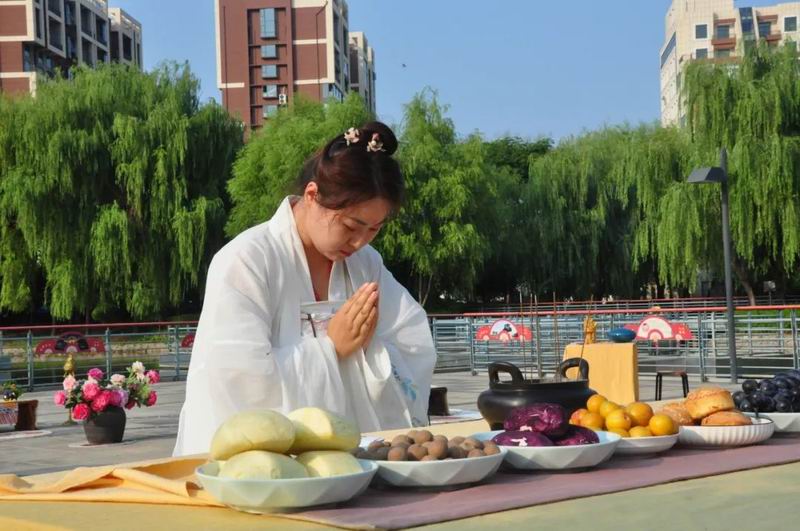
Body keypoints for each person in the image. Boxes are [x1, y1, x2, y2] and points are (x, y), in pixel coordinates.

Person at [173, 122, 437, 456]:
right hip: (260, 465)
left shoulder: (366, 264)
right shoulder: (247, 260)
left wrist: (371, 348)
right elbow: (234, 378)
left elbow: (412, 343)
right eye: (351, 226)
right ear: (312, 195)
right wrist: (331, 348)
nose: (359, 242)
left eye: (374, 229)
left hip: (349, 457)